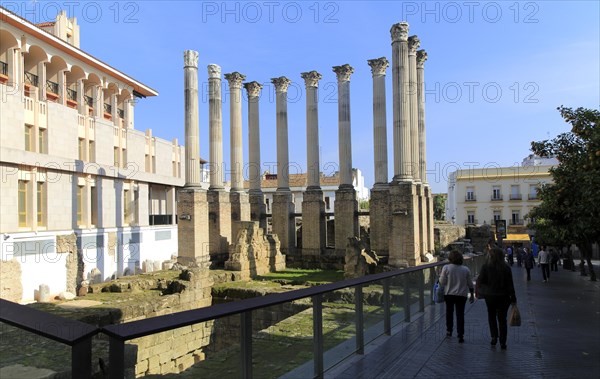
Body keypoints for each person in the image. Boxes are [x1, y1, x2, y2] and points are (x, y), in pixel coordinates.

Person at [477, 247, 517, 350]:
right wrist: (513, 298)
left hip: (490, 296)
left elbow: (481, 280)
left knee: (491, 316)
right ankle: (503, 342)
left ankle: (494, 336)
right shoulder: (506, 268)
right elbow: (510, 284)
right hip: (504, 296)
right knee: (502, 319)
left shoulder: (486, 267)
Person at [439, 250, 475, 343]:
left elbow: (442, 282)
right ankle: (460, 334)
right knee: (460, 314)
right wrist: (471, 294)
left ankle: (449, 330)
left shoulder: (446, 268)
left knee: (449, 312)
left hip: (449, 294)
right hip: (461, 295)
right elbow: (470, 283)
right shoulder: (465, 269)